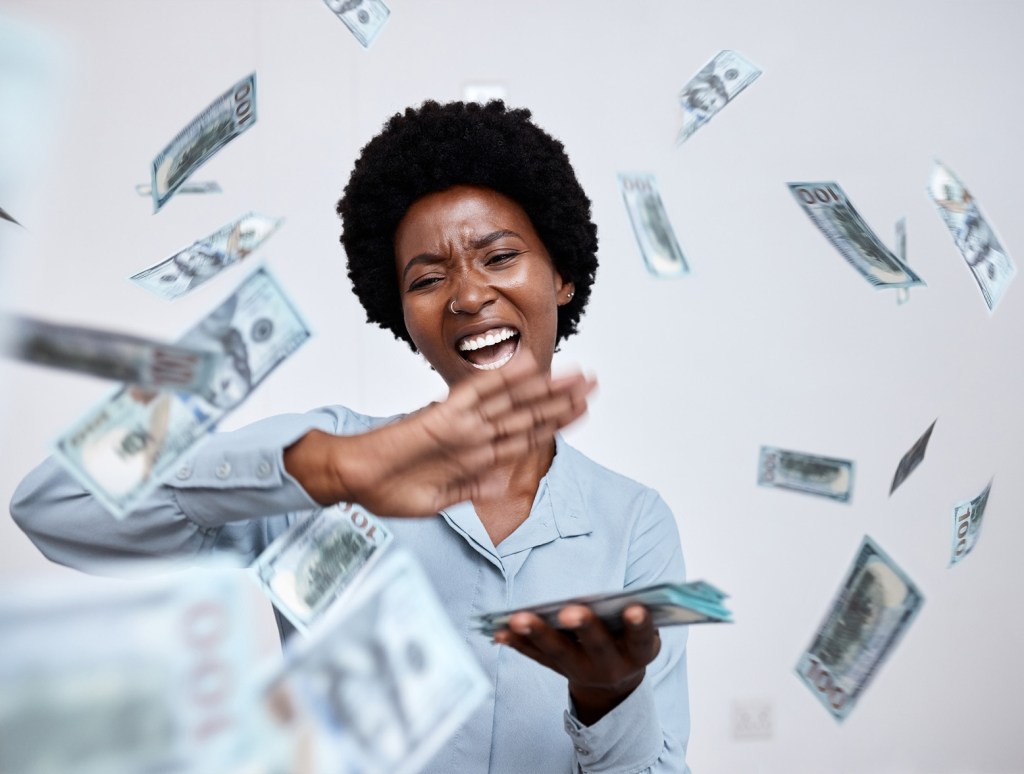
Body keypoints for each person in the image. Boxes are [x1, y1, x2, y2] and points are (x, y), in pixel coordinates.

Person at [12, 99, 691, 773]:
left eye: (500, 256)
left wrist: (610, 697)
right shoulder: (327, 456)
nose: (467, 296)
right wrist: (330, 470)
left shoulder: (632, 523)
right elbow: (52, 508)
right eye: (427, 278)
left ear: (562, 275)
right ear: (402, 314)